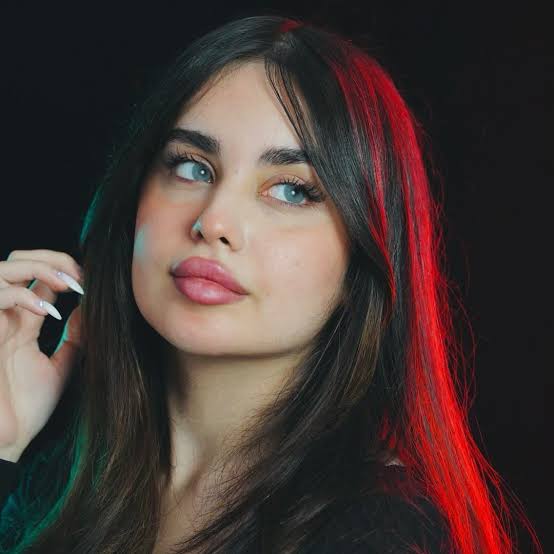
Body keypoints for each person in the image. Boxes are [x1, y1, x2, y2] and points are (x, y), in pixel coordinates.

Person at [0, 14, 541, 554]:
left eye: (291, 191)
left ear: (362, 259)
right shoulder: (61, 482)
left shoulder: (378, 534)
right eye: (192, 167)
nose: (214, 221)